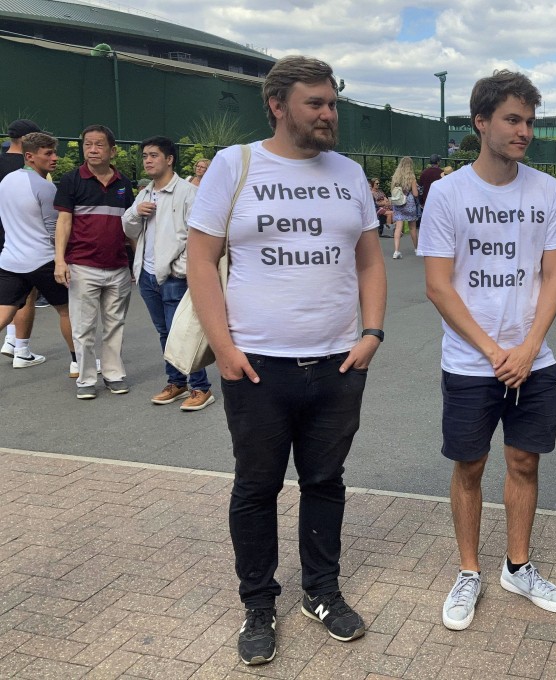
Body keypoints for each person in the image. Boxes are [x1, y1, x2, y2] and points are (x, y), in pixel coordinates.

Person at [187, 55, 386, 666]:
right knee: (257, 486)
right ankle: (258, 602)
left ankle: (320, 592)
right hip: (258, 366)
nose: (329, 114)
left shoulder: (348, 173)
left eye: (333, 103)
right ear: (277, 105)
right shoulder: (235, 165)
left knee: (325, 482)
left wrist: (372, 332)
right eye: (316, 103)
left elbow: (370, 261)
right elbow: (201, 260)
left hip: (337, 363)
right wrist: (222, 347)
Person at [419, 69, 556, 633]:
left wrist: (529, 347)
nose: (524, 131)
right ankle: (468, 570)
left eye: (530, 121)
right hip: (470, 362)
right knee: (470, 466)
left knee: (524, 462)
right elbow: (438, 284)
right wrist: (492, 350)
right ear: (481, 122)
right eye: (513, 119)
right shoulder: (448, 192)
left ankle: (518, 566)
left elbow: (554, 276)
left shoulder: (547, 190)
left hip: (534, 359)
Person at [122, 136, 214, 411]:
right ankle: (176, 382)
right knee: (164, 332)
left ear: (169, 159)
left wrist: (179, 268)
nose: (147, 161)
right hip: (147, 275)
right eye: (145, 156)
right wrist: (136, 213)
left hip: (174, 276)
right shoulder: (146, 193)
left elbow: (198, 237)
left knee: (183, 332)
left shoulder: (187, 193)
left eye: (153, 155)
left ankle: (201, 387)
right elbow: (127, 228)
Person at [54, 124, 135, 399]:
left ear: (112, 150)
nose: (92, 149)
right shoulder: (71, 180)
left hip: (118, 267)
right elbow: (64, 223)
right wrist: (59, 261)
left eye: (99, 144)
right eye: (88, 144)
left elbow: (130, 226)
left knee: (115, 326)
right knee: (84, 327)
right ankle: (87, 379)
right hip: (82, 265)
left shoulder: (124, 184)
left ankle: (113, 374)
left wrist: (135, 263)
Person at [0, 132, 75, 369]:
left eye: (54, 152)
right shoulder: (46, 188)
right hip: (43, 261)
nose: (55, 157)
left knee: (4, 314)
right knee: (68, 311)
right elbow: (56, 233)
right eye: (48, 153)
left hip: (10, 261)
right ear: (30, 156)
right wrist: (63, 260)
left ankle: (22, 351)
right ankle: (79, 363)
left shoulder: (6, 181)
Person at [0, 119, 44, 366]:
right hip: (21, 238)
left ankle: (10, 340)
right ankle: (21, 349)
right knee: (26, 291)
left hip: (5, 238)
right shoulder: (32, 167)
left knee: (7, 293)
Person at [390, 156, 420, 259]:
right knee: (412, 227)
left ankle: (396, 251)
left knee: (398, 228)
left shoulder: (395, 177)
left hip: (399, 203)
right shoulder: (411, 178)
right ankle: (416, 249)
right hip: (409, 203)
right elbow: (415, 194)